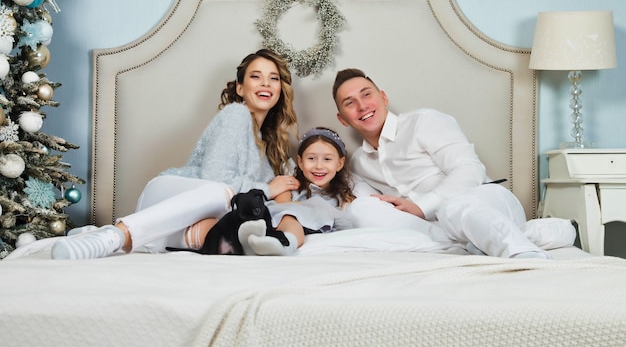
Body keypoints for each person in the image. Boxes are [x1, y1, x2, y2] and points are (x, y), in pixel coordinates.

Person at [51, 49, 305, 260]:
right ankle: (114, 236)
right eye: (256, 76)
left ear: (281, 89)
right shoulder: (235, 115)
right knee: (221, 194)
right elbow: (217, 178)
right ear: (240, 88)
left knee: (219, 233)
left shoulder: (267, 144)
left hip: (189, 217)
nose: (265, 84)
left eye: (273, 79)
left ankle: (97, 234)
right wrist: (268, 189)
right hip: (168, 194)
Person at [332, 68, 575, 259]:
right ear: (342, 119)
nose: (362, 105)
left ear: (383, 97)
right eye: (350, 102)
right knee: (360, 210)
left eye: (367, 94)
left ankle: (525, 253)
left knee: (453, 207)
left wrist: (421, 206)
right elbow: (374, 210)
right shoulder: (359, 164)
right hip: (432, 229)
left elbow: (469, 170)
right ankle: (470, 244)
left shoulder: (423, 122)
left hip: (482, 200)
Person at [236, 126, 355, 255]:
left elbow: (346, 219)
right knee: (289, 216)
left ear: (339, 164)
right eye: (311, 159)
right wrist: (311, 207)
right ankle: (275, 242)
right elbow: (282, 205)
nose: (319, 166)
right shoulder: (291, 186)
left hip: (318, 230)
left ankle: (283, 246)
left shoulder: (341, 195)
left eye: (327, 159)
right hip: (286, 224)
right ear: (300, 162)